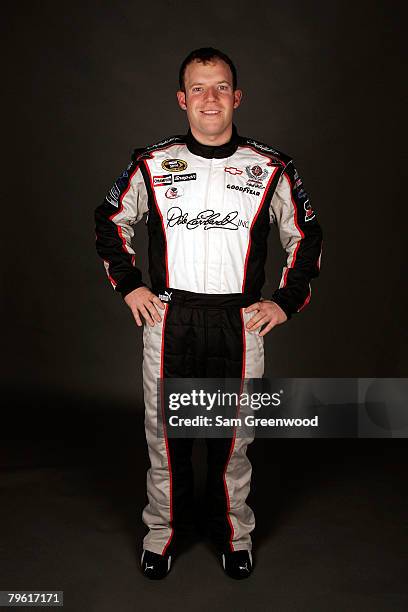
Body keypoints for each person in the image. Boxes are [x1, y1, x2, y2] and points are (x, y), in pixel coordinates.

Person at [94, 47, 323, 580]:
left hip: (240, 323)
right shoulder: (151, 162)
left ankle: (232, 532)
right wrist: (130, 286)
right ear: (182, 99)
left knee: (233, 435)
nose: (210, 98)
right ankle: (162, 531)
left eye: (220, 86)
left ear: (237, 96)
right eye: (198, 88)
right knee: (166, 433)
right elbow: (110, 221)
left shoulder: (271, 167)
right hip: (170, 319)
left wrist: (285, 302)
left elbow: (306, 236)